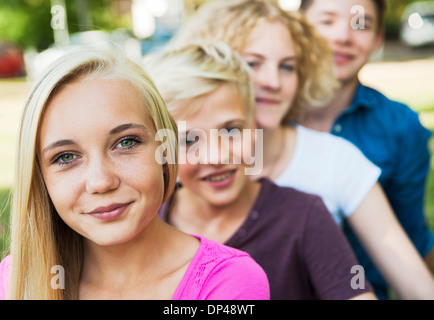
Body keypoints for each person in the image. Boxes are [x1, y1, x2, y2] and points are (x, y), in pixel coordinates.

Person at [163, 0, 434, 299]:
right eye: (252, 64)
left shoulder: (327, 171)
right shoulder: (176, 179)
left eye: (287, 67)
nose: (273, 81)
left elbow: (411, 278)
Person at [0, 48, 270, 300]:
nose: (101, 181)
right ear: (40, 178)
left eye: (126, 142)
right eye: (66, 157)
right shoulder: (12, 283)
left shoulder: (228, 282)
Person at [145, 41, 377, 300]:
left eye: (231, 130)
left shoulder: (305, 215)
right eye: (188, 140)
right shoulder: (147, 225)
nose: (217, 156)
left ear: (254, 123)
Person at [299, 0, 434, 299]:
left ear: (377, 39)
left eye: (361, 23)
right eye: (327, 20)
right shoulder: (262, 117)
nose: (344, 36)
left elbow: (412, 235)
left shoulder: (401, 128)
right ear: (299, 29)